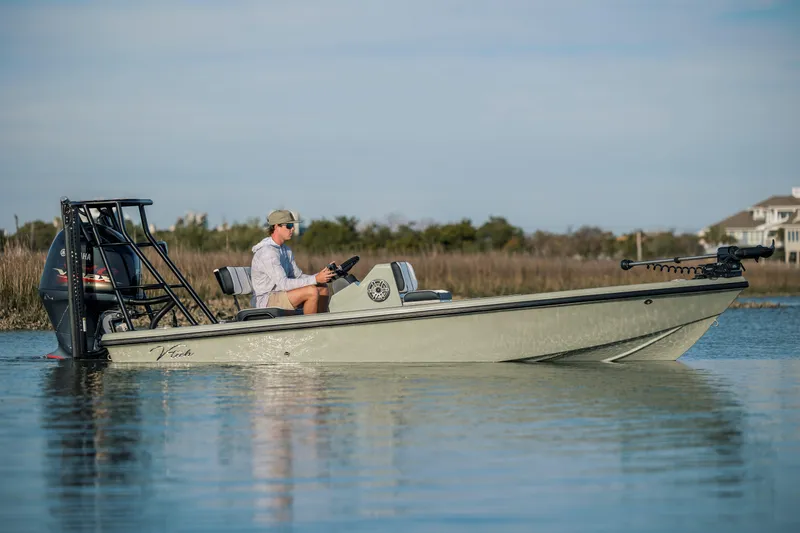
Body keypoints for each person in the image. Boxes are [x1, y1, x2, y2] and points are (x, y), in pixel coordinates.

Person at [250, 210, 336, 314]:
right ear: (276, 226)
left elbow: (297, 276)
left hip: (281, 293)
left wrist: (322, 276)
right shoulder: (268, 252)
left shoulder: (286, 250)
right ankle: (311, 329)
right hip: (266, 300)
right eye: (289, 225)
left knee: (322, 288)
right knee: (311, 291)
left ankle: (322, 324)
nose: (293, 229)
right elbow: (284, 284)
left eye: (293, 225)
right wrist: (315, 279)